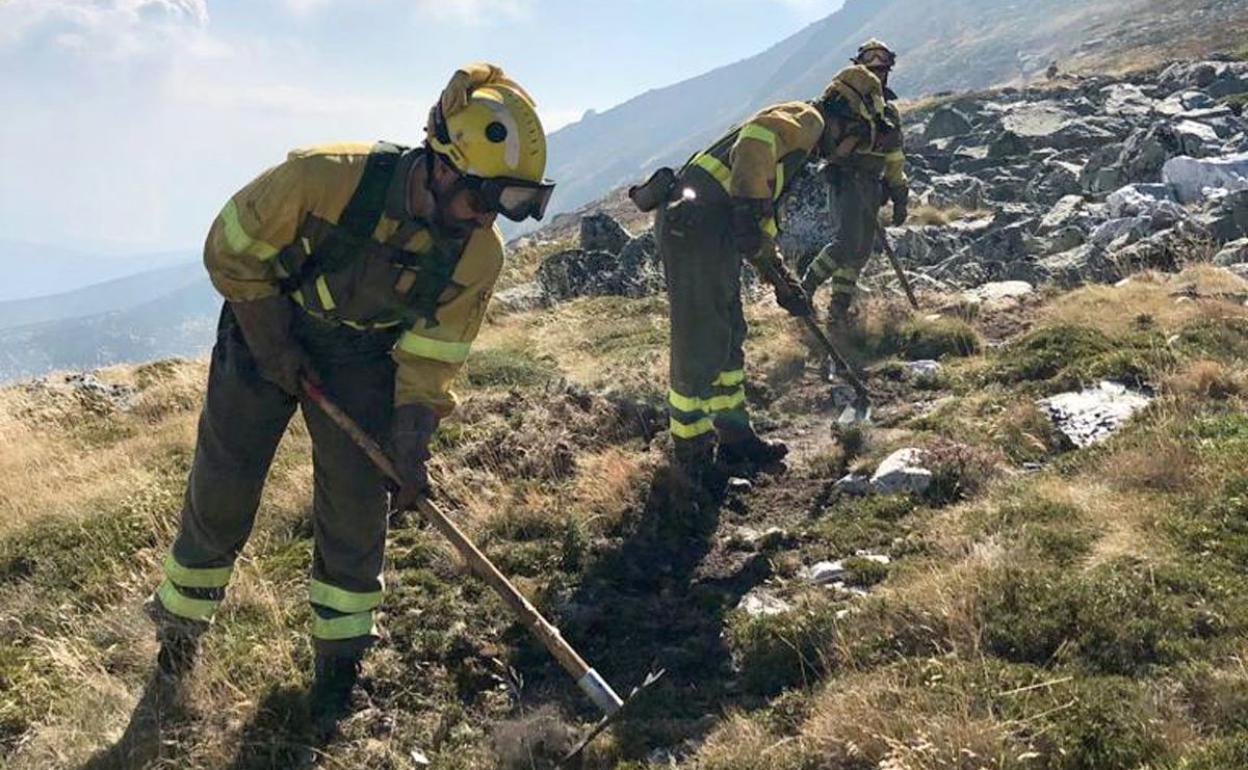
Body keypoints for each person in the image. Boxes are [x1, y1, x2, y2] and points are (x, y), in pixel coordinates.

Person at [146, 62, 553, 733]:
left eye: (507, 204)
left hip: (363, 356)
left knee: (358, 506)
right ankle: (177, 641)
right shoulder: (323, 176)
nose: (487, 217)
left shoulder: (477, 255)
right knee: (224, 483)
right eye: (482, 197)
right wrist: (272, 340)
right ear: (440, 166)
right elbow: (228, 250)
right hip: (264, 323)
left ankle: (340, 664)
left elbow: (433, 356)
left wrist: (411, 443)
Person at [654, 63, 892, 485]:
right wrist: (747, 213)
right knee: (702, 337)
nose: (847, 152)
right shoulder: (809, 119)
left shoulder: (801, 148)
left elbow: (760, 222)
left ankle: (735, 437)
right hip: (695, 225)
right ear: (846, 119)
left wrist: (782, 281)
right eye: (854, 139)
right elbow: (754, 143)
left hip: (713, 228)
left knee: (729, 333)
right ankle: (691, 456)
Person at [801, 39, 910, 324]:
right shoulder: (843, 105)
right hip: (846, 180)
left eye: (882, 67)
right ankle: (803, 290)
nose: (878, 73)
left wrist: (899, 193)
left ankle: (838, 309)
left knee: (860, 252)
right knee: (847, 242)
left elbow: (894, 156)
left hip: (872, 184)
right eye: (872, 67)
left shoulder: (888, 112)